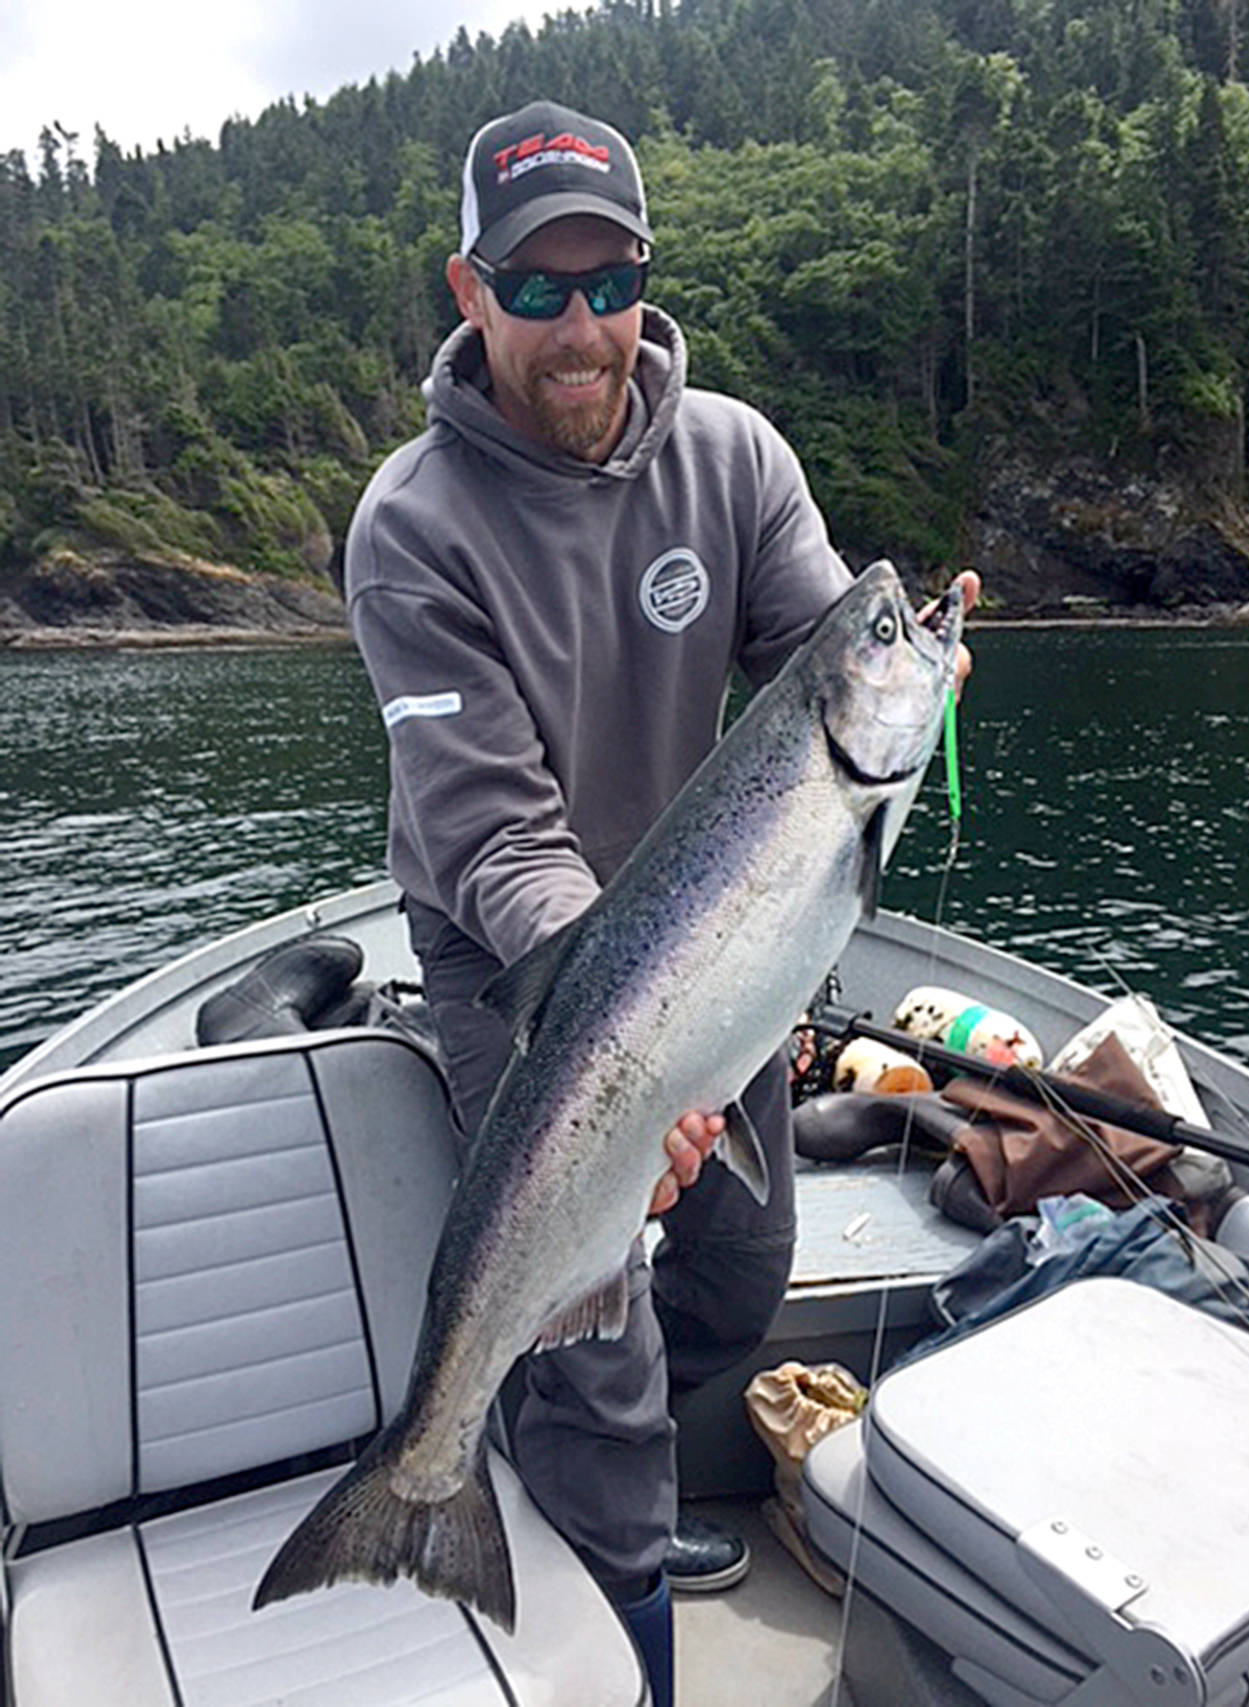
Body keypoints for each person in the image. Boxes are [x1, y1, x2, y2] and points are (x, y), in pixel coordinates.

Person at [343, 97, 977, 1704]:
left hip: (720, 933)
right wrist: (633, 1064)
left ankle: (582, 1487)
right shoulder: (410, 531)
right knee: (604, 1364)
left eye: (606, 281)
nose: (580, 326)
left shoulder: (736, 457)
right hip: (525, 963)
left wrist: (913, 673)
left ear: (643, 277)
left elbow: (821, 661)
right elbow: (493, 837)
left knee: (733, 1277)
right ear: (468, 288)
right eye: (535, 288)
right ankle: (590, 1598)